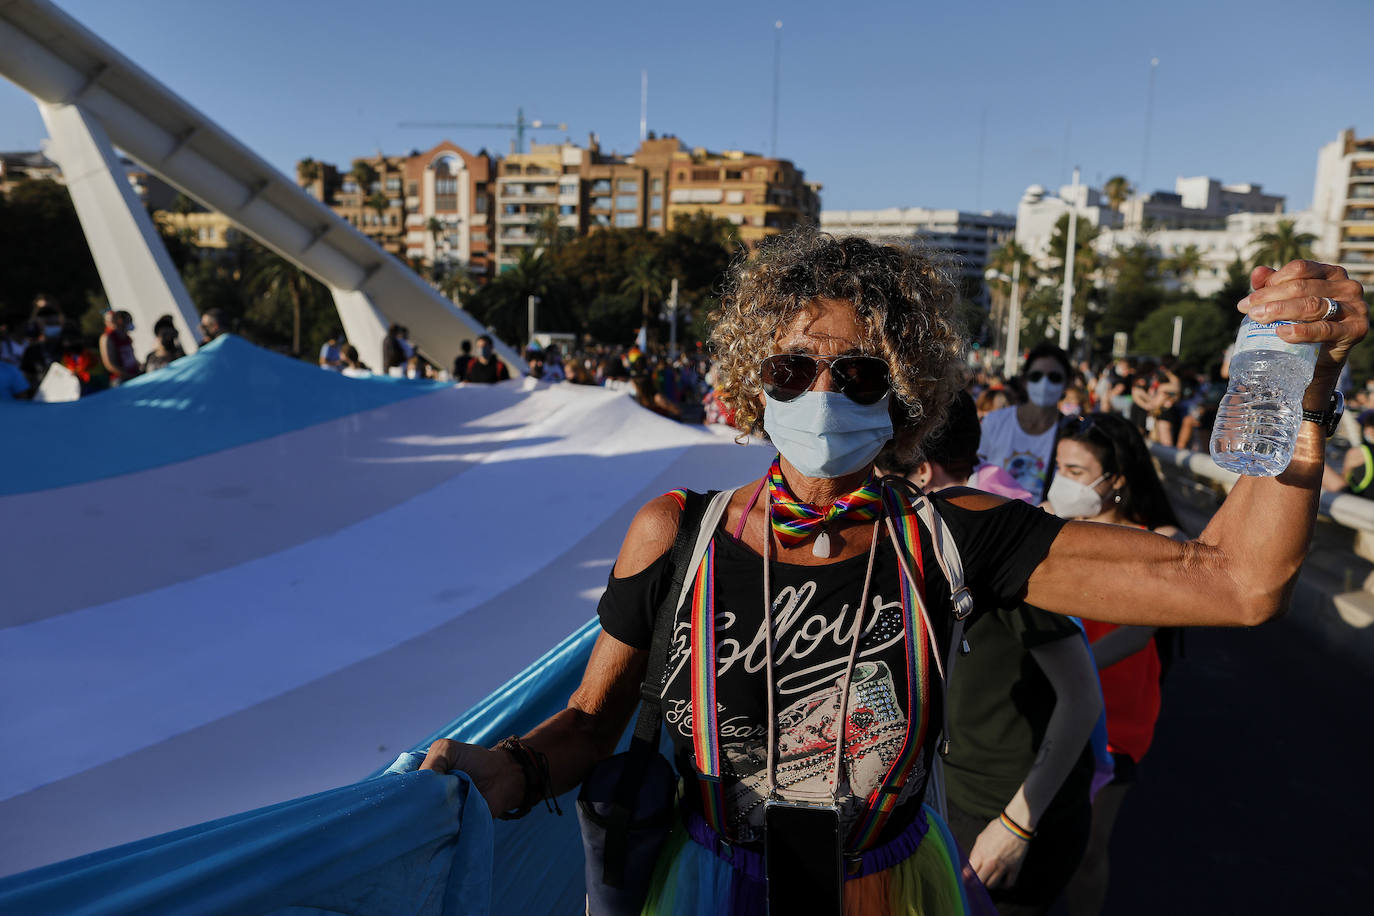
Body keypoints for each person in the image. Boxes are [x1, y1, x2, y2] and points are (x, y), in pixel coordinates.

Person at [417, 235, 1365, 915]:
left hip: (889, 887)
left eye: (861, 374)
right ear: (754, 387)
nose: (824, 394)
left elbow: (1238, 580)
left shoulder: (954, 537)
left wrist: (1304, 385)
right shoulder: (678, 534)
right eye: (792, 370)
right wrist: (506, 768)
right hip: (709, 887)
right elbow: (591, 720)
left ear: (906, 391)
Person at [881, 393, 1102, 915]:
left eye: (881, 478)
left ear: (923, 473)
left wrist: (1016, 826)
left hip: (1010, 817)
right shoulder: (930, 544)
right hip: (951, 801)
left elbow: (1082, 698)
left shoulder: (1004, 550)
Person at [1049, 413, 1183, 916]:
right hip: (1048, 704)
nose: (1062, 481)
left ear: (1117, 480)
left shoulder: (1161, 539)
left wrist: (1070, 665)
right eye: (1059, 467)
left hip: (1115, 717)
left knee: (1087, 849)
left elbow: (1142, 628)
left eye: (1077, 472)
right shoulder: (1049, 525)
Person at [979, 342, 1073, 501]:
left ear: (1067, 383)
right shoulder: (994, 422)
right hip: (994, 519)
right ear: (1024, 381)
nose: (1044, 384)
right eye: (1036, 376)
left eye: (1054, 377)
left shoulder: (1071, 432)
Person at [99, 310, 141, 386]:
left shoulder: (127, 337)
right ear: (120, 321)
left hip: (134, 375)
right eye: (128, 321)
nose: (130, 324)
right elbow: (109, 364)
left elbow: (131, 357)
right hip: (120, 379)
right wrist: (128, 375)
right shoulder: (107, 338)